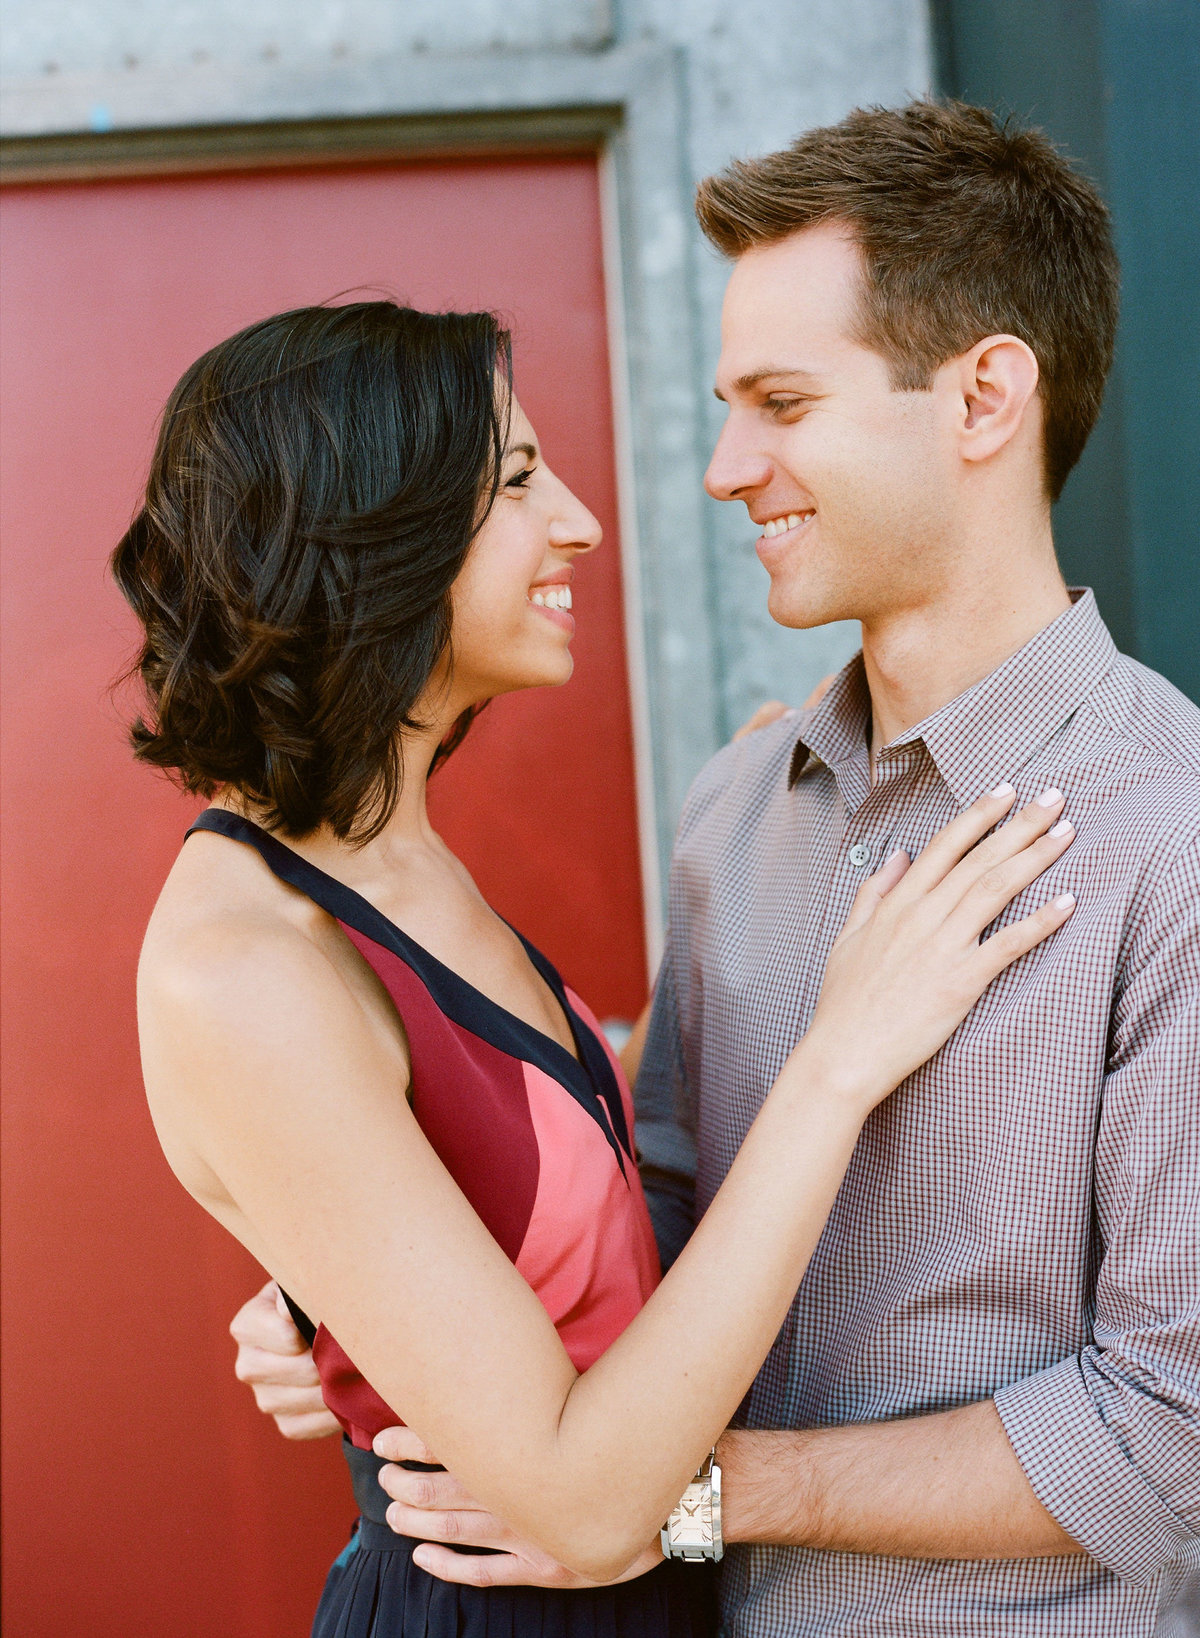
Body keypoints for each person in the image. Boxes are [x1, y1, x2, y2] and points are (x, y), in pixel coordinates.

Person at [233, 101, 1200, 1635]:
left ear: (983, 398)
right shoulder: (736, 806)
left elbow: (1172, 1433)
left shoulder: (1174, 833)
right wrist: (385, 1297)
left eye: (784, 402)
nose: (724, 466)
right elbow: (659, 1205)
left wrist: (703, 1492)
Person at [117, 296, 1077, 1638]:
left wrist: (341, 1305)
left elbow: (519, 1157)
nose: (578, 519)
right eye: (516, 481)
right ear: (369, 529)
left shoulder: (398, 861)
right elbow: (580, 1503)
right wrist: (840, 1056)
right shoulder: (244, 962)